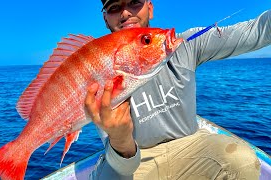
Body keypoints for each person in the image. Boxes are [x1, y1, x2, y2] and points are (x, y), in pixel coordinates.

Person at [85, 0, 271, 179]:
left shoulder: (183, 44)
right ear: (106, 19)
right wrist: (120, 139)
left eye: (135, 2)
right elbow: (123, 166)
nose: (125, 12)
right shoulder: (93, 70)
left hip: (191, 146)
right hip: (132, 158)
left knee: (242, 160)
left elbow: (257, 31)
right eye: (114, 7)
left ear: (150, 9)